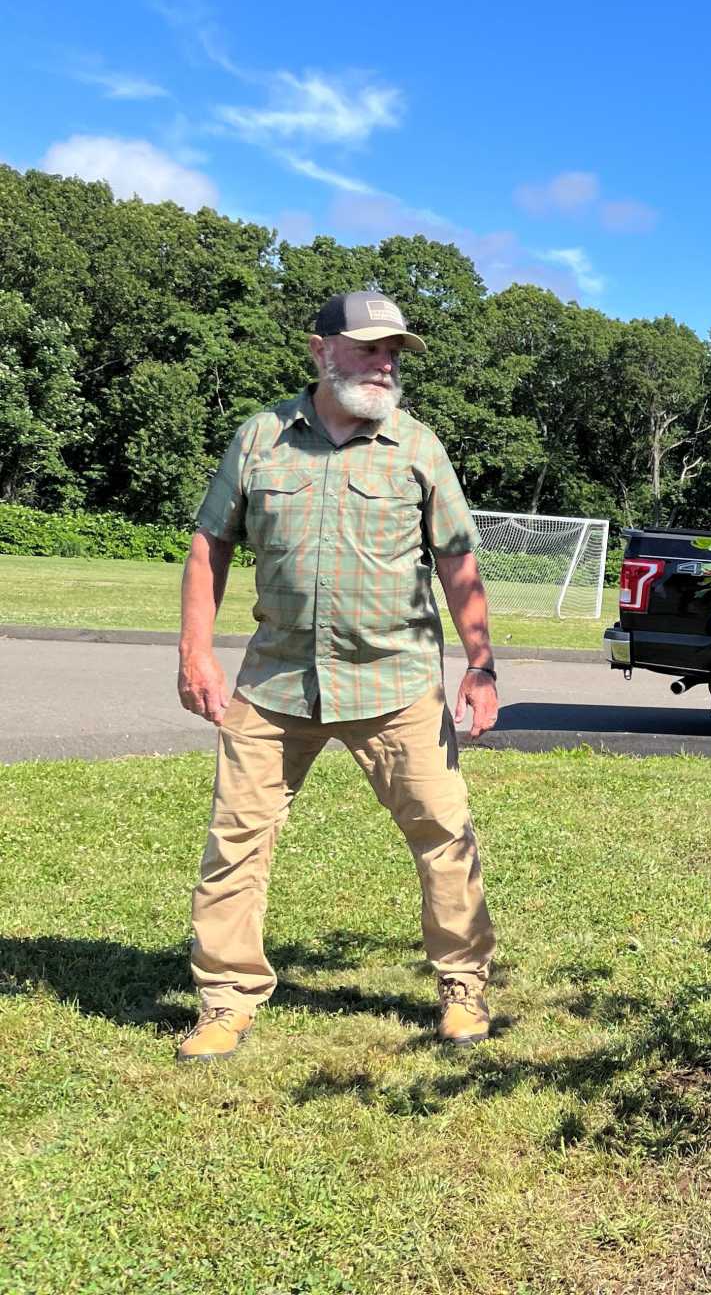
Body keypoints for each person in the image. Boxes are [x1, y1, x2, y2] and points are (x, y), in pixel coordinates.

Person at [172, 290, 501, 1063]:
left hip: (395, 684)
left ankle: (463, 985)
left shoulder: (418, 448)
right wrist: (195, 651)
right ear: (321, 352)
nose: (385, 365)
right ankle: (225, 1000)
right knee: (236, 843)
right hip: (276, 682)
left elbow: (458, 561)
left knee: (444, 833)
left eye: (394, 353)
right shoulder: (260, 439)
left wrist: (481, 664)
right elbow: (207, 544)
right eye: (368, 349)